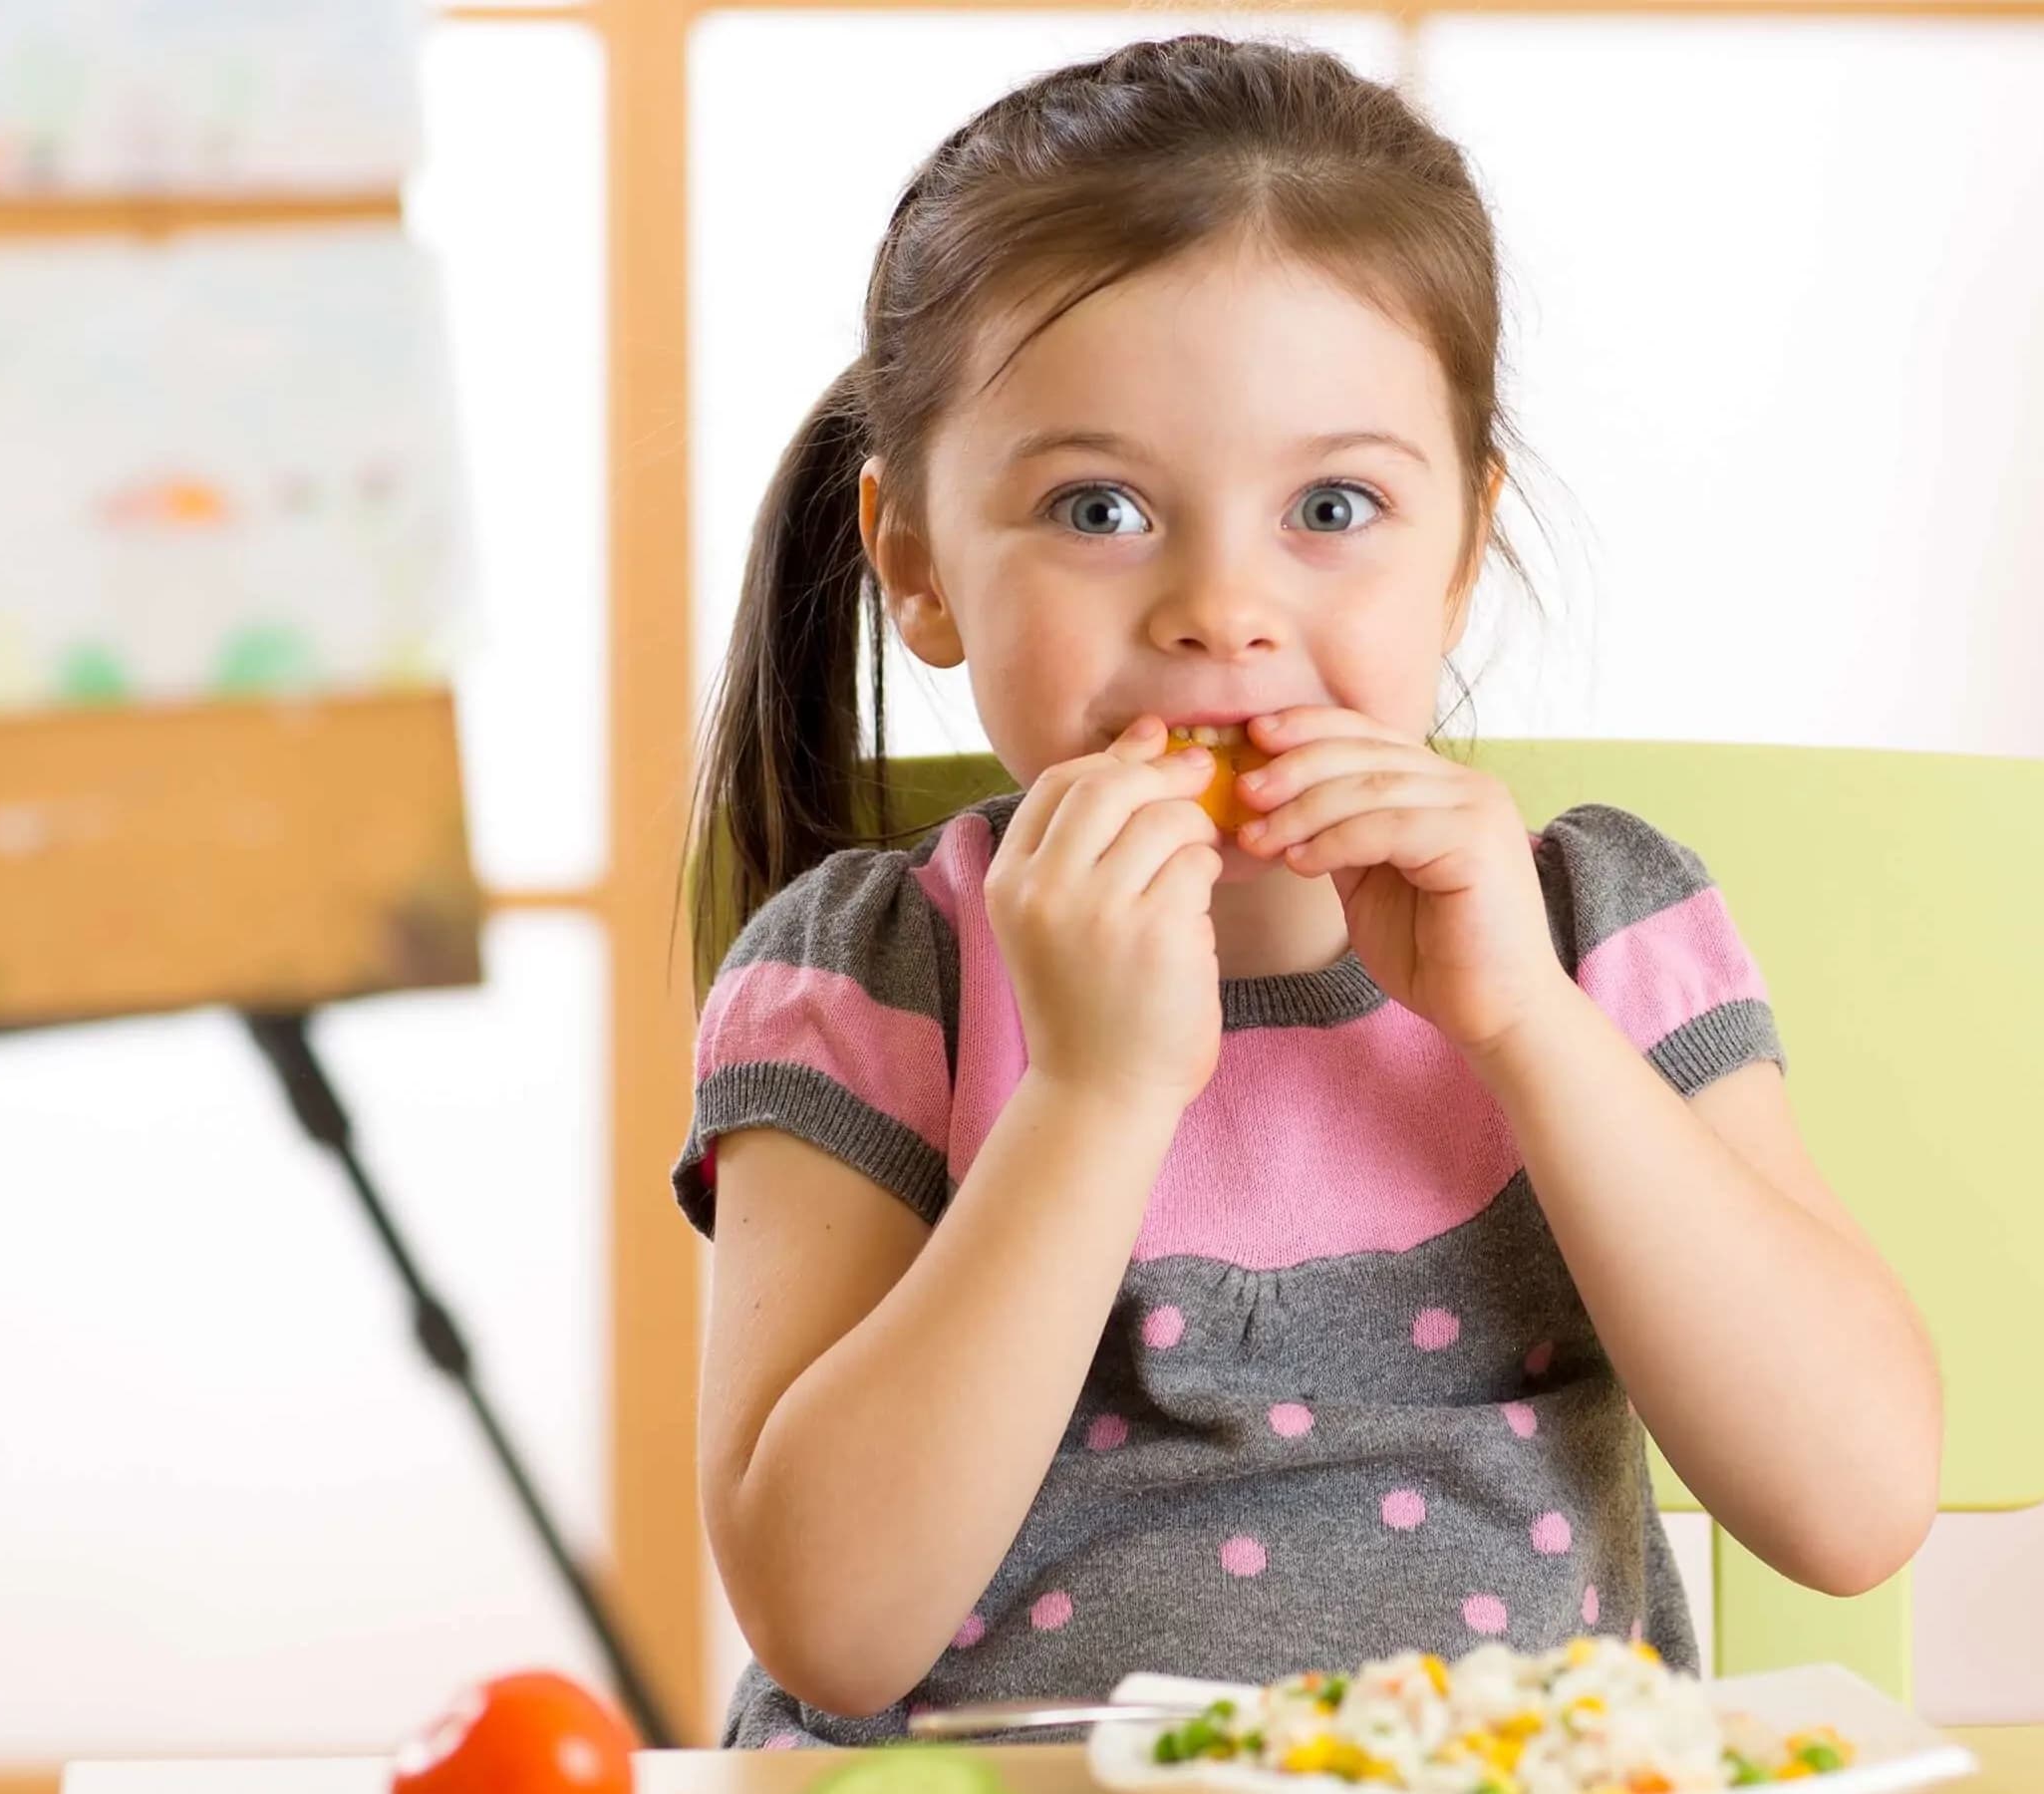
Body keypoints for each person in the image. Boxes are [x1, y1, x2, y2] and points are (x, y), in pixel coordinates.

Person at [676, 34, 1939, 1748]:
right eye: (1098, 506)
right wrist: (1098, 1092)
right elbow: (833, 1624)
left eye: (1332, 505)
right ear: (915, 561)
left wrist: (1523, 1027)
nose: (1222, 607)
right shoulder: (876, 976)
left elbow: (1852, 1507)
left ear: (1463, 551)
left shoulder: (1598, 937)